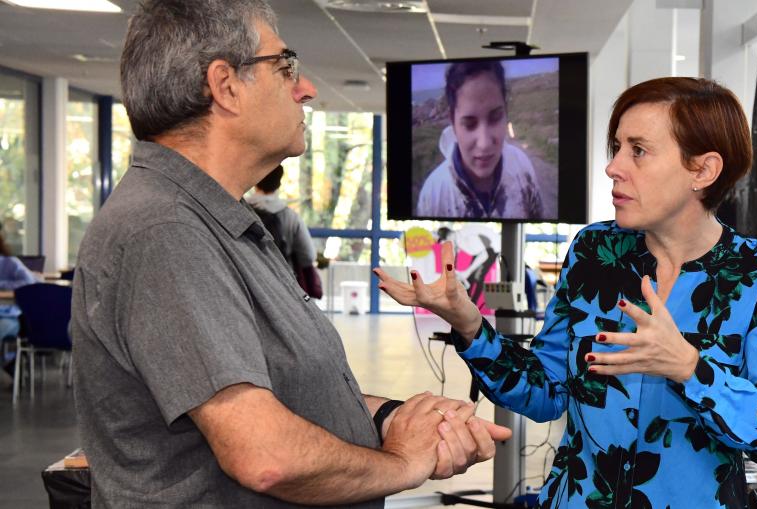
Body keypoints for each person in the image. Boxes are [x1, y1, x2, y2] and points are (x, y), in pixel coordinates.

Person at [70, 1, 510, 507]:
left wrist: (395, 417)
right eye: (284, 68)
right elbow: (265, 455)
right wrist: (403, 462)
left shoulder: (222, 223)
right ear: (225, 86)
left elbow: (285, 394)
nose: (305, 88)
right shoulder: (165, 231)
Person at [376, 77, 757, 508]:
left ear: (702, 169)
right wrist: (468, 322)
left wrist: (689, 368)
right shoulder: (594, 252)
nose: (613, 167)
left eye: (638, 151)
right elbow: (546, 391)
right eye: (618, 147)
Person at [415, 61, 545, 220]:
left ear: (506, 113)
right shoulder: (433, 194)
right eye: (469, 124)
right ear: (453, 123)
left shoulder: (522, 167)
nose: (484, 144)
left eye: (495, 118)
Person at [247, 164, 320, 297]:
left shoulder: (240, 210)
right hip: (282, 285)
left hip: (247, 281)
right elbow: (308, 256)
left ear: (255, 181)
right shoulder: (290, 217)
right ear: (279, 184)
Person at [0, 231, 37, 377]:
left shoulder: (10, 262)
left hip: (8, 315)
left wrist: (2, 284)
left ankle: (7, 365)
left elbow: (29, 282)